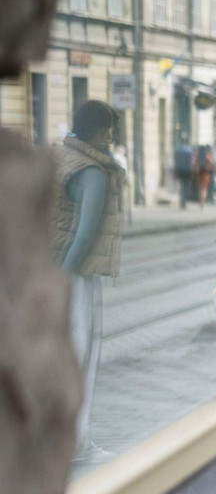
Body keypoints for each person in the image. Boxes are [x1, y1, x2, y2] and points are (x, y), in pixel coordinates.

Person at [51, 100, 128, 459]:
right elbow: (84, 236)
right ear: (95, 130)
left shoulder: (60, 157)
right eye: (108, 129)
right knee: (80, 359)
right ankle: (77, 444)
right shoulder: (93, 172)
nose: (111, 137)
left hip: (46, 266)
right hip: (74, 277)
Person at [174, 136, 194, 208]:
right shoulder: (189, 150)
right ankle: (184, 201)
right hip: (187, 170)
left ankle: (181, 201)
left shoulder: (178, 149)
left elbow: (176, 161)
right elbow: (191, 162)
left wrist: (175, 170)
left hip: (180, 170)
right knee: (186, 186)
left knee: (181, 185)